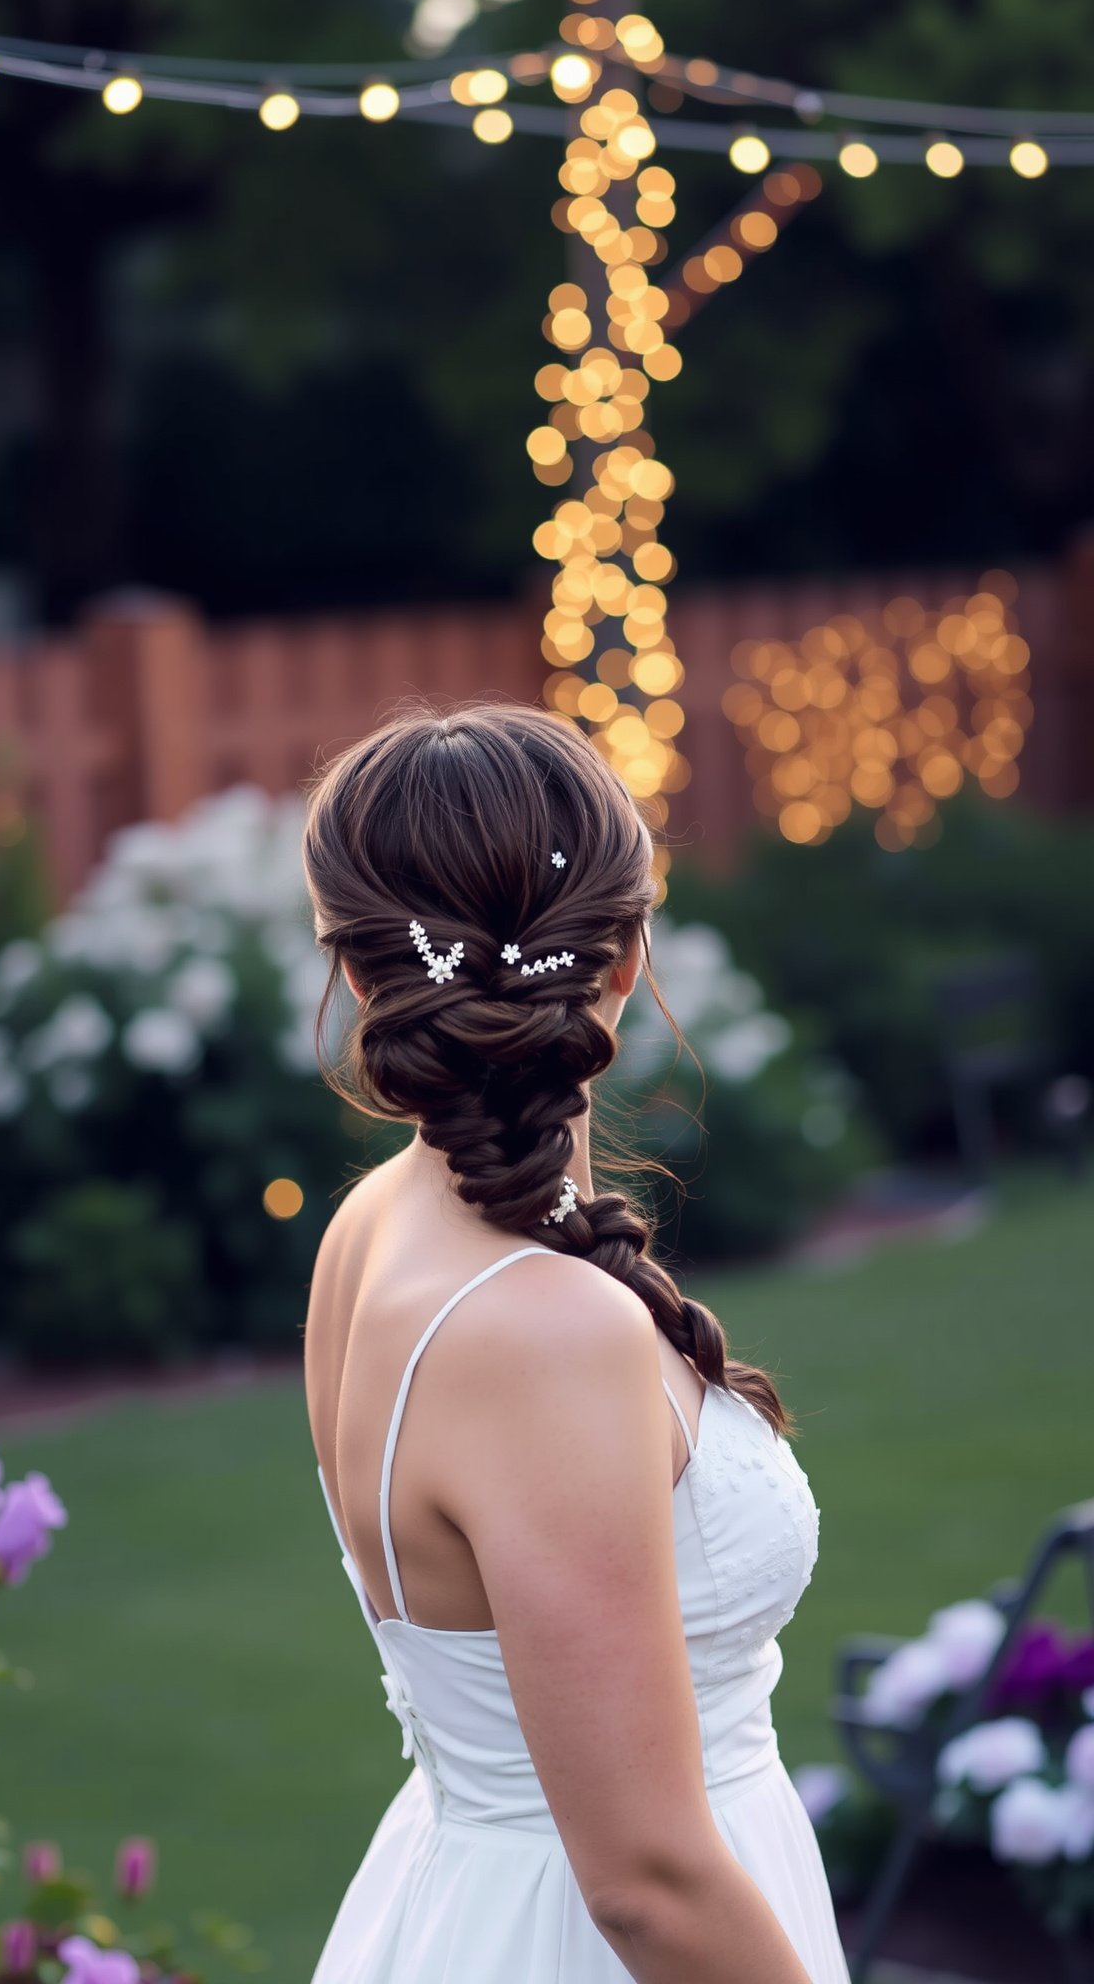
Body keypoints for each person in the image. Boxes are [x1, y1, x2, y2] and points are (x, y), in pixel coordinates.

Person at [301, 701, 849, 1983]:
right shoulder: (542, 1329)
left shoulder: (371, 1226)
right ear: (627, 953)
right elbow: (649, 1881)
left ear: (353, 965)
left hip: (474, 1886)